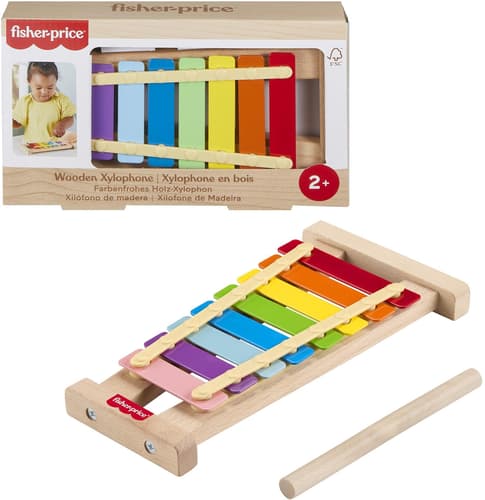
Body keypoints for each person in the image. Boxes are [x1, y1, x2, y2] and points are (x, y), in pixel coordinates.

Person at [12, 62, 76, 143]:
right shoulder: (25, 102)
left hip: (56, 145)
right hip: (32, 145)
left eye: (50, 87)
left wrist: (62, 124)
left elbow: (70, 118)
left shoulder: (62, 100)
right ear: (29, 82)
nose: (44, 92)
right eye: (38, 88)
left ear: (56, 81)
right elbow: (18, 123)